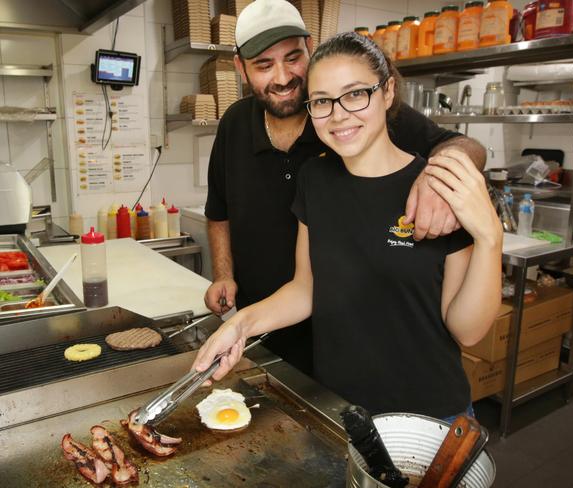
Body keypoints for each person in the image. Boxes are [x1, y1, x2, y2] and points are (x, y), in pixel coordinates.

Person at [194, 32, 503, 421]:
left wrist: (491, 239)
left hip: (428, 415)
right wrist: (240, 325)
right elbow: (306, 289)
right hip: (338, 411)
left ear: (387, 91)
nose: (339, 115)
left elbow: (467, 331)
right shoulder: (315, 180)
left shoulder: (437, 188)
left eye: (356, 94)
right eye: (322, 101)